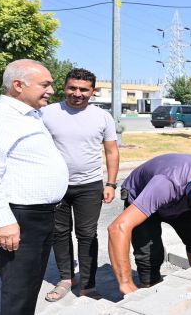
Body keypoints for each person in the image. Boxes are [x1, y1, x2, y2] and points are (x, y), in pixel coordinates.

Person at [0, 59, 69, 314]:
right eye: (45, 84)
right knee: (18, 293)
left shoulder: (29, 115)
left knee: (30, 287)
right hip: (19, 217)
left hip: (41, 215)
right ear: (18, 85)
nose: (52, 90)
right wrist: (2, 220)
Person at [41, 68, 120, 301]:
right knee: (59, 233)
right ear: (64, 87)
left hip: (89, 185)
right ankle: (66, 278)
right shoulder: (47, 113)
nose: (77, 93)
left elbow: (111, 151)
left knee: (86, 235)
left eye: (84, 89)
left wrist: (111, 183)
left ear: (93, 92)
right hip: (55, 186)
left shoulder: (102, 117)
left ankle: (87, 285)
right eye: (72, 88)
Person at [107, 154, 191, 295]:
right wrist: (125, 283)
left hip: (180, 201)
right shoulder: (166, 185)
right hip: (143, 196)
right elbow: (117, 228)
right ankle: (151, 295)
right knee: (150, 256)